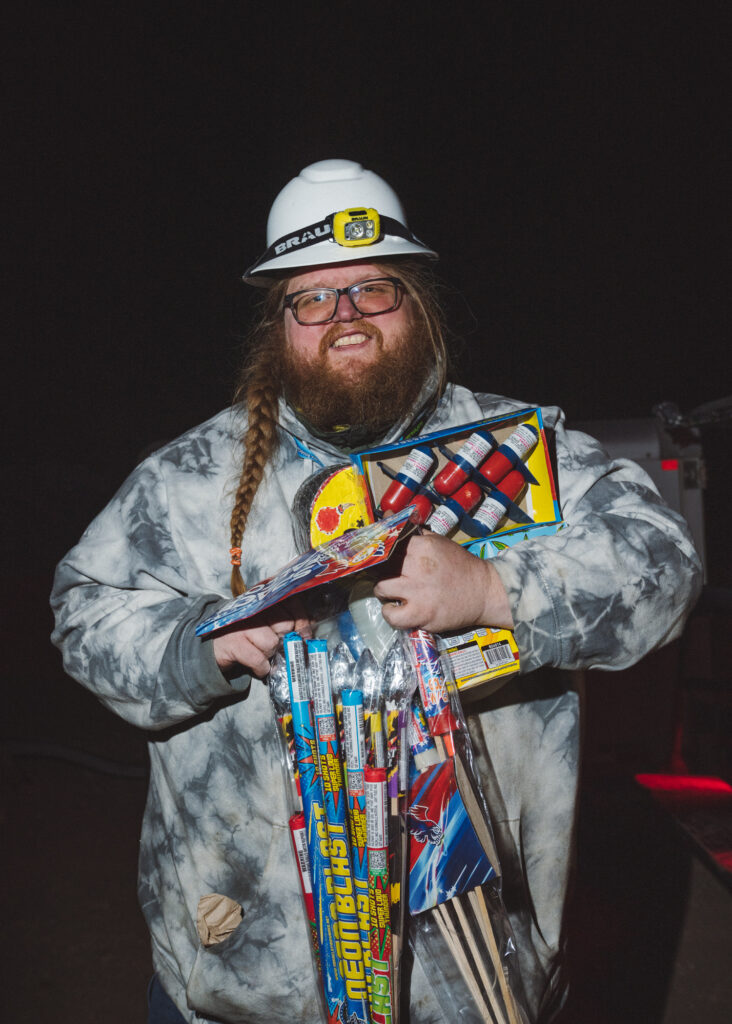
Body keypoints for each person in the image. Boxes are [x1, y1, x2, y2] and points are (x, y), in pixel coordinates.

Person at [51, 158, 702, 1024]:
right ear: (277, 323)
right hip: (246, 978)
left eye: (373, 290)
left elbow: (665, 562)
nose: (344, 317)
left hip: (478, 983)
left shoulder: (518, 454)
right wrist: (197, 644)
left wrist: (495, 585)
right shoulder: (189, 482)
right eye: (312, 298)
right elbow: (83, 607)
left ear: (418, 304)